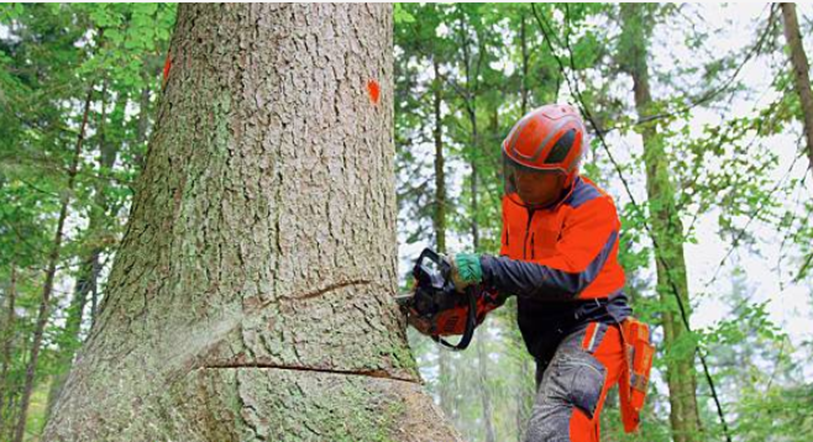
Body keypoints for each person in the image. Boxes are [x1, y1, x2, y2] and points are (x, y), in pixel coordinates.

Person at [449, 104, 633, 442]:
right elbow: (515, 271)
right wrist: (471, 295)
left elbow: (567, 278)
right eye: (518, 169)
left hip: (591, 329)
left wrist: (488, 266)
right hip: (548, 342)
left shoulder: (593, 208)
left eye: (534, 174)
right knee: (559, 432)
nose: (523, 180)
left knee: (551, 432)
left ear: (564, 175)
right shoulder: (518, 206)